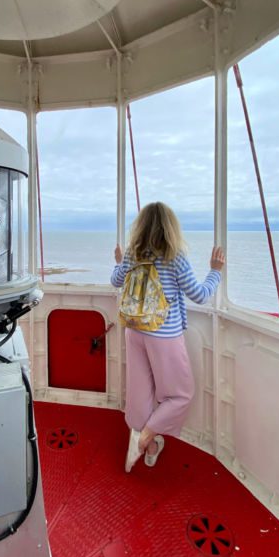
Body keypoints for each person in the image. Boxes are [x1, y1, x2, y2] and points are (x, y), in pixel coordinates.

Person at [111, 202, 225, 472]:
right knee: (180, 395)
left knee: (140, 394)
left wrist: (119, 262)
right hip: (164, 335)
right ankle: (146, 436)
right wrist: (215, 272)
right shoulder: (174, 256)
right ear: (171, 228)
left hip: (134, 331)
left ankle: (147, 445)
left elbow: (116, 281)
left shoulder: (132, 254)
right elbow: (199, 295)